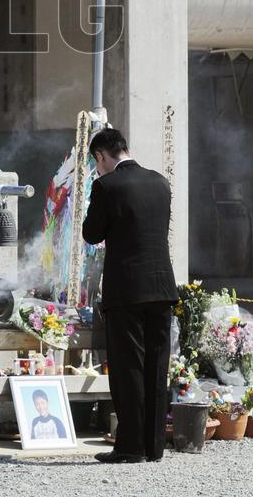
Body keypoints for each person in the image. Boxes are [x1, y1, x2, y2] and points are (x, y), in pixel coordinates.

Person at [82, 127, 177, 464]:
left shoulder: (106, 186)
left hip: (126, 290)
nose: (99, 168)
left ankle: (130, 447)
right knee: (156, 366)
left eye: (98, 163)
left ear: (101, 156)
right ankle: (154, 447)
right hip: (163, 286)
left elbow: (91, 233)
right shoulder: (160, 183)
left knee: (129, 369)